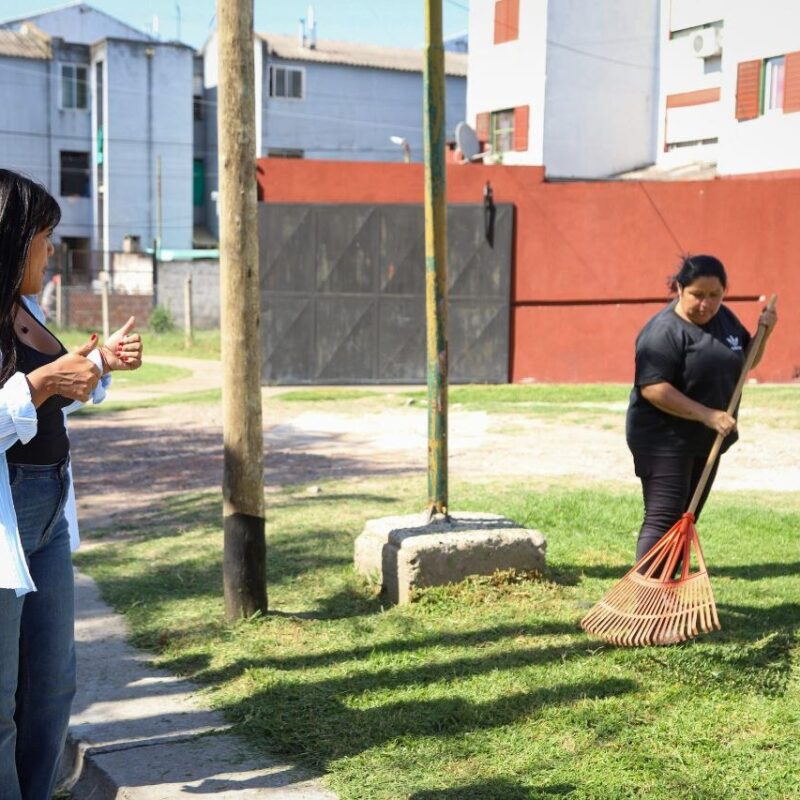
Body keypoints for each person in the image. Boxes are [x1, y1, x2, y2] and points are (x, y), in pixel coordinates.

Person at [0, 169, 142, 800]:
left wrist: (97, 363)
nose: (51, 249)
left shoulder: (25, 307)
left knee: (52, 683)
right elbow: (29, 394)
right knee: (1, 697)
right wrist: (41, 383)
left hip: (49, 506)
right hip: (7, 512)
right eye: (44, 236)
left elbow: (51, 393)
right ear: (11, 238)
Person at [625, 254, 778, 567]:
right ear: (680, 289)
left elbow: (745, 362)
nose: (706, 304)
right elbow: (653, 388)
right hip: (663, 439)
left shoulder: (725, 319)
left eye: (714, 295)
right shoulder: (663, 331)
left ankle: (667, 584)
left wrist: (764, 334)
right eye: (697, 295)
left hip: (705, 438)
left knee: (687, 515)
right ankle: (647, 588)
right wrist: (707, 414)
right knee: (664, 517)